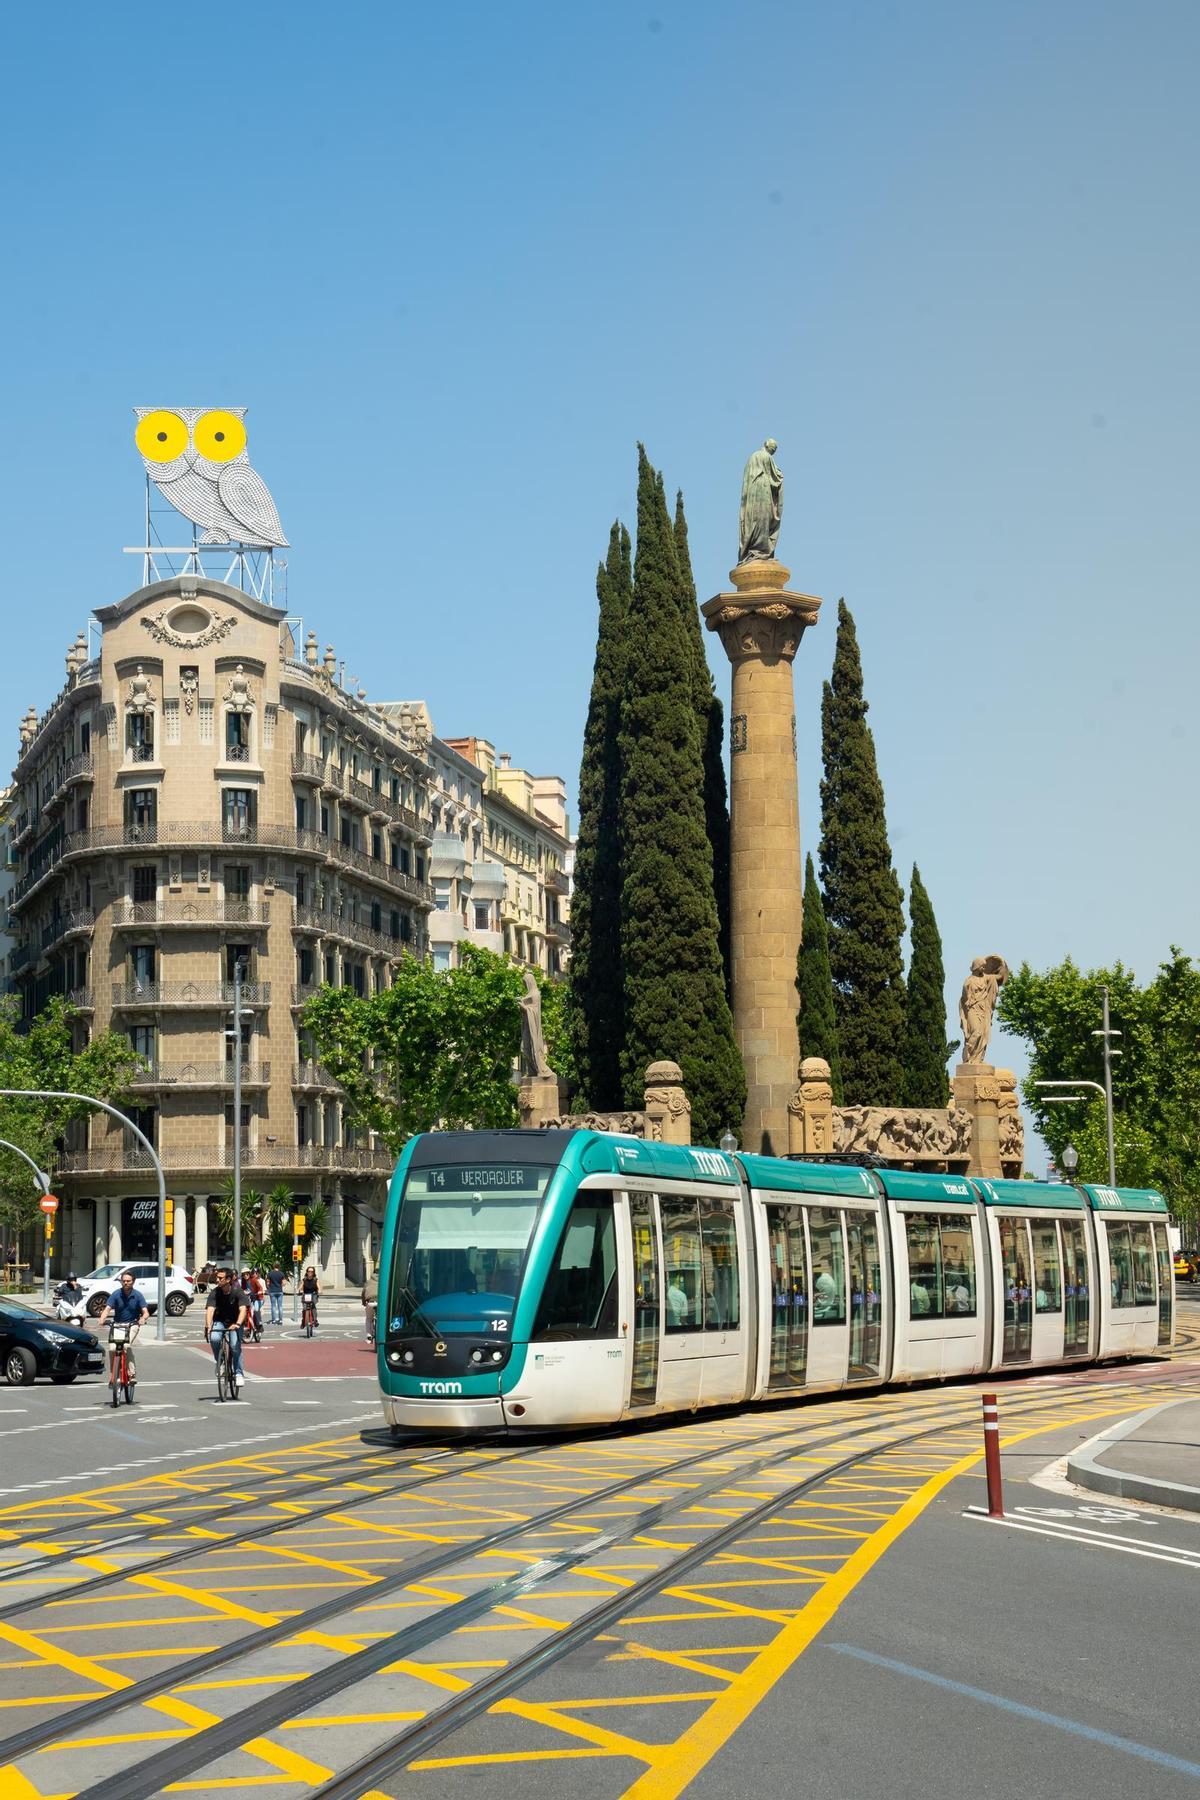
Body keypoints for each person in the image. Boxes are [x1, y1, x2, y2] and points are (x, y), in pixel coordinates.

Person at [99, 1270, 150, 1389]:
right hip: (117, 1325)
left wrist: (142, 1319)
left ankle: (131, 1374)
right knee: (112, 1349)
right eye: (124, 1281)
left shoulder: (138, 1295)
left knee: (126, 1346)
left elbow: (145, 1312)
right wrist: (102, 1318)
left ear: (133, 1282)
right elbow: (107, 1309)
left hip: (132, 1324)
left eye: (128, 1281)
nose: (126, 1283)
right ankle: (113, 1376)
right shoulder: (116, 1294)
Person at [205, 1267, 249, 1392]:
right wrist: (209, 1326)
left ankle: (239, 1373)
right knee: (214, 1338)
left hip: (235, 1322)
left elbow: (243, 1309)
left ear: (228, 1279)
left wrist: (238, 1323)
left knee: (235, 1346)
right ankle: (221, 1363)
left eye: (220, 1278)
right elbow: (210, 1310)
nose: (217, 1280)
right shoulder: (215, 1292)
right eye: (216, 1278)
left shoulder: (237, 1291)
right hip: (220, 1321)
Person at [265, 1262, 285, 1327]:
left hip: (272, 1291)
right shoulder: (281, 1274)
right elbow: (283, 1283)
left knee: (273, 1306)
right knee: (280, 1306)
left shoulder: (270, 1273)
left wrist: (269, 1287)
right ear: (279, 1266)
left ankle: (273, 1320)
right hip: (279, 1291)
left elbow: (268, 1283)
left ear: (274, 1266)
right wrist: (280, 1286)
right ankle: (280, 1320)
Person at [301, 1264, 320, 1328]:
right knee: (304, 1308)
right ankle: (303, 1321)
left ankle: (315, 1320)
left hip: (313, 1295)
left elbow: (319, 1287)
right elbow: (301, 1287)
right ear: (306, 1272)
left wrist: (320, 1291)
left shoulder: (315, 1279)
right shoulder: (304, 1279)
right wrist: (299, 1290)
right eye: (309, 1271)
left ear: (313, 1273)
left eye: (312, 1271)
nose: (310, 1273)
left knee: (313, 1307)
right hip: (306, 1295)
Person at [361, 1269, 378, 1343]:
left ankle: (369, 1336)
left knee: (368, 1318)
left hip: (370, 1302)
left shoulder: (368, 1282)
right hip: (380, 1302)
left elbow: (363, 1292)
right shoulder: (384, 1280)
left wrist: (364, 1302)